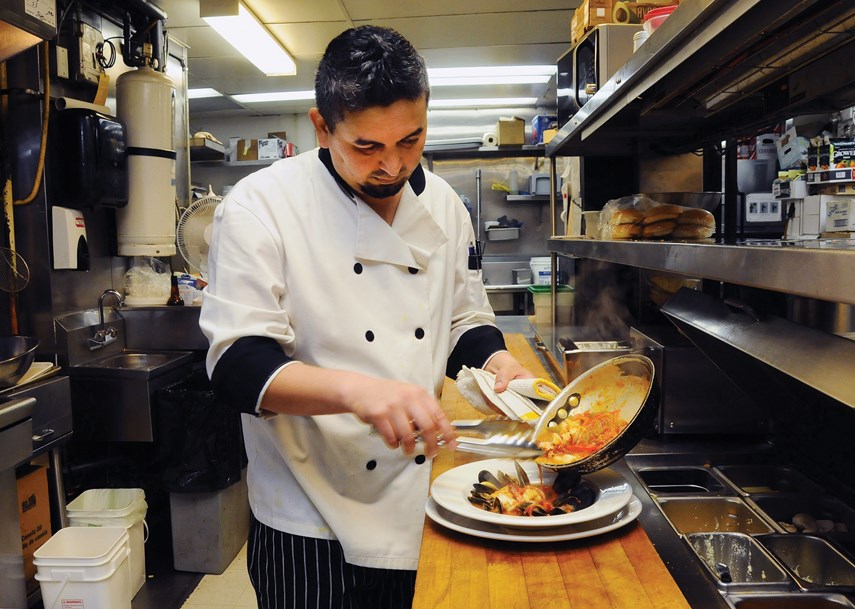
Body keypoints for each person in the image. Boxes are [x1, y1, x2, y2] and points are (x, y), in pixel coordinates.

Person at [200, 25, 534, 609]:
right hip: (306, 510)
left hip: (416, 490)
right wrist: (361, 392)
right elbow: (238, 366)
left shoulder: (446, 206)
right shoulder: (260, 206)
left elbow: (462, 320)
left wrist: (496, 359)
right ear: (322, 126)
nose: (394, 165)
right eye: (367, 147)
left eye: (411, 140)